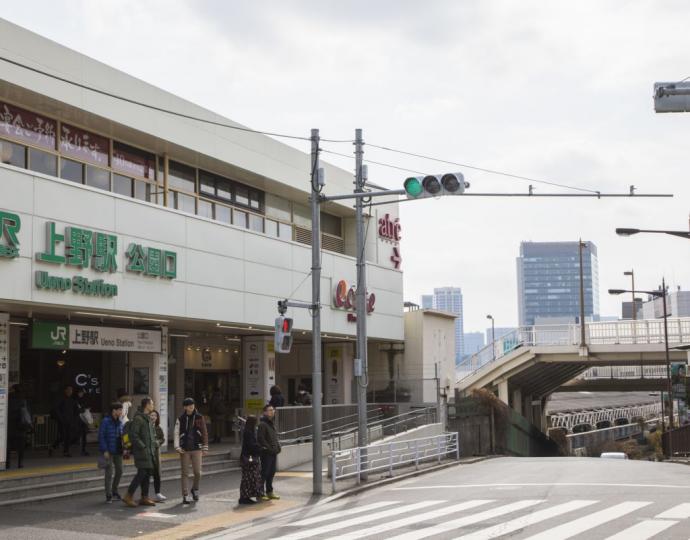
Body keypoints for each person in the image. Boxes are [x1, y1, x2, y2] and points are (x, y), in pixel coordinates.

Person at [122, 397, 158, 508]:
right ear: (146, 405)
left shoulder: (147, 419)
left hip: (148, 452)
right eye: (152, 403)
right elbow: (133, 435)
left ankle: (144, 497)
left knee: (146, 474)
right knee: (141, 473)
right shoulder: (139, 418)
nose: (153, 405)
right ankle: (128, 496)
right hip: (142, 452)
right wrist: (143, 447)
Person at [174, 397, 209, 505]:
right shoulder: (181, 418)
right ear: (185, 407)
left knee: (198, 472)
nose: (191, 406)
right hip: (184, 449)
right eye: (189, 405)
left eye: (192, 404)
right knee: (185, 473)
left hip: (197, 448)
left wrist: (205, 446)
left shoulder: (199, 417)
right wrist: (177, 446)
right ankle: (185, 495)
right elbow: (176, 432)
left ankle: (195, 489)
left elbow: (204, 432)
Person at [98, 402, 124, 503]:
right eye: (120, 410)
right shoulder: (106, 421)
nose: (121, 412)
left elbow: (122, 435)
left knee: (120, 471)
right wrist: (104, 450)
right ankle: (108, 494)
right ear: (114, 411)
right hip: (109, 451)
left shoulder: (120, 421)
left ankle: (114, 491)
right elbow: (101, 436)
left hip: (118, 450)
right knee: (109, 473)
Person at [257, 404, 281, 500]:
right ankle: (260, 493)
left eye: (273, 410)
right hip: (266, 453)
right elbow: (261, 439)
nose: (272, 411)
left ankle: (269, 491)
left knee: (271, 472)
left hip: (273, 452)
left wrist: (278, 447)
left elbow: (274, 437)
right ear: (265, 412)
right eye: (270, 410)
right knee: (264, 473)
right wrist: (269, 448)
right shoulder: (263, 424)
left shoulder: (271, 423)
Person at [238, 415, 262, 504]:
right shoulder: (249, 432)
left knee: (249, 478)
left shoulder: (249, 431)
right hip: (249, 458)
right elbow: (251, 445)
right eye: (255, 421)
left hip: (248, 458)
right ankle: (245, 497)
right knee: (249, 478)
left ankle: (246, 496)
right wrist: (260, 448)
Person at [49, 385, 78, 457]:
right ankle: (53, 446)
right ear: (65, 391)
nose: (70, 391)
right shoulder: (61, 399)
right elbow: (56, 409)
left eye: (71, 390)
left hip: (70, 421)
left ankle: (66, 451)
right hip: (62, 421)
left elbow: (76, 410)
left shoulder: (72, 400)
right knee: (62, 436)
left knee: (68, 436)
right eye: (68, 390)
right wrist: (61, 418)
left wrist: (76, 416)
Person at [7, 385, 32, 469]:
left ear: (13, 390)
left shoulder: (8, 400)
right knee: (21, 446)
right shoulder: (23, 400)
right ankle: (20, 463)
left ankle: (7, 463)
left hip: (10, 426)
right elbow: (27, 413)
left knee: (8, 446)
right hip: (21, 426)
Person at [150, 410, 167, 502]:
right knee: (146, 474)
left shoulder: (158, 428)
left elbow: (162, 439)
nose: (153, 417)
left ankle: (158, 493)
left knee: (157, 473)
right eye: (151, 415)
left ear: (157, 418)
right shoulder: (146, 427)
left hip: (156, 453)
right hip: (148, 453)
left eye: (155, 416)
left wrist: (158, 442)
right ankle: (144, 495)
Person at [75, 387, 91, 456]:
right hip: (78, 419)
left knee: (83, 435)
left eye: (82, 393)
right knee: (80, 435)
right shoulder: (75, 400)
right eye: (80, 392)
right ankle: (82, 449)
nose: (81, 394)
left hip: (82, 420)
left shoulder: (82, 400)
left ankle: (83, 450)